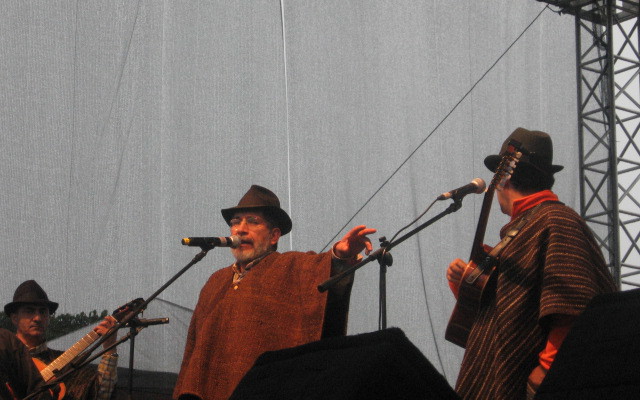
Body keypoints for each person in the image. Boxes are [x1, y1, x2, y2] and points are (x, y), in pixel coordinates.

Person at [445, 128, 617, 400]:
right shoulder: (526, 229)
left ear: (503, 178)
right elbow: (504, 321)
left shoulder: (555, 221)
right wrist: (466, 285)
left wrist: (546, 371)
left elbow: (575, 305)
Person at [173, 184, 377, 400]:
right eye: (235, 222)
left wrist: (340, 255)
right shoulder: (216, 281)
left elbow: (321, 271)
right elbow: (195, 352)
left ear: (274, 236)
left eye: (253, 221)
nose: (240, 229)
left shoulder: (291, 266)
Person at [4, 280, 119, 400]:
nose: (37, 318)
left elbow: (102, 394)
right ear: (14, 318)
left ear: (48, 318)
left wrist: (109, 348)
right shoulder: (4, 358)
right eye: (30, 311)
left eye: (42, 311)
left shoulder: (67, 364)